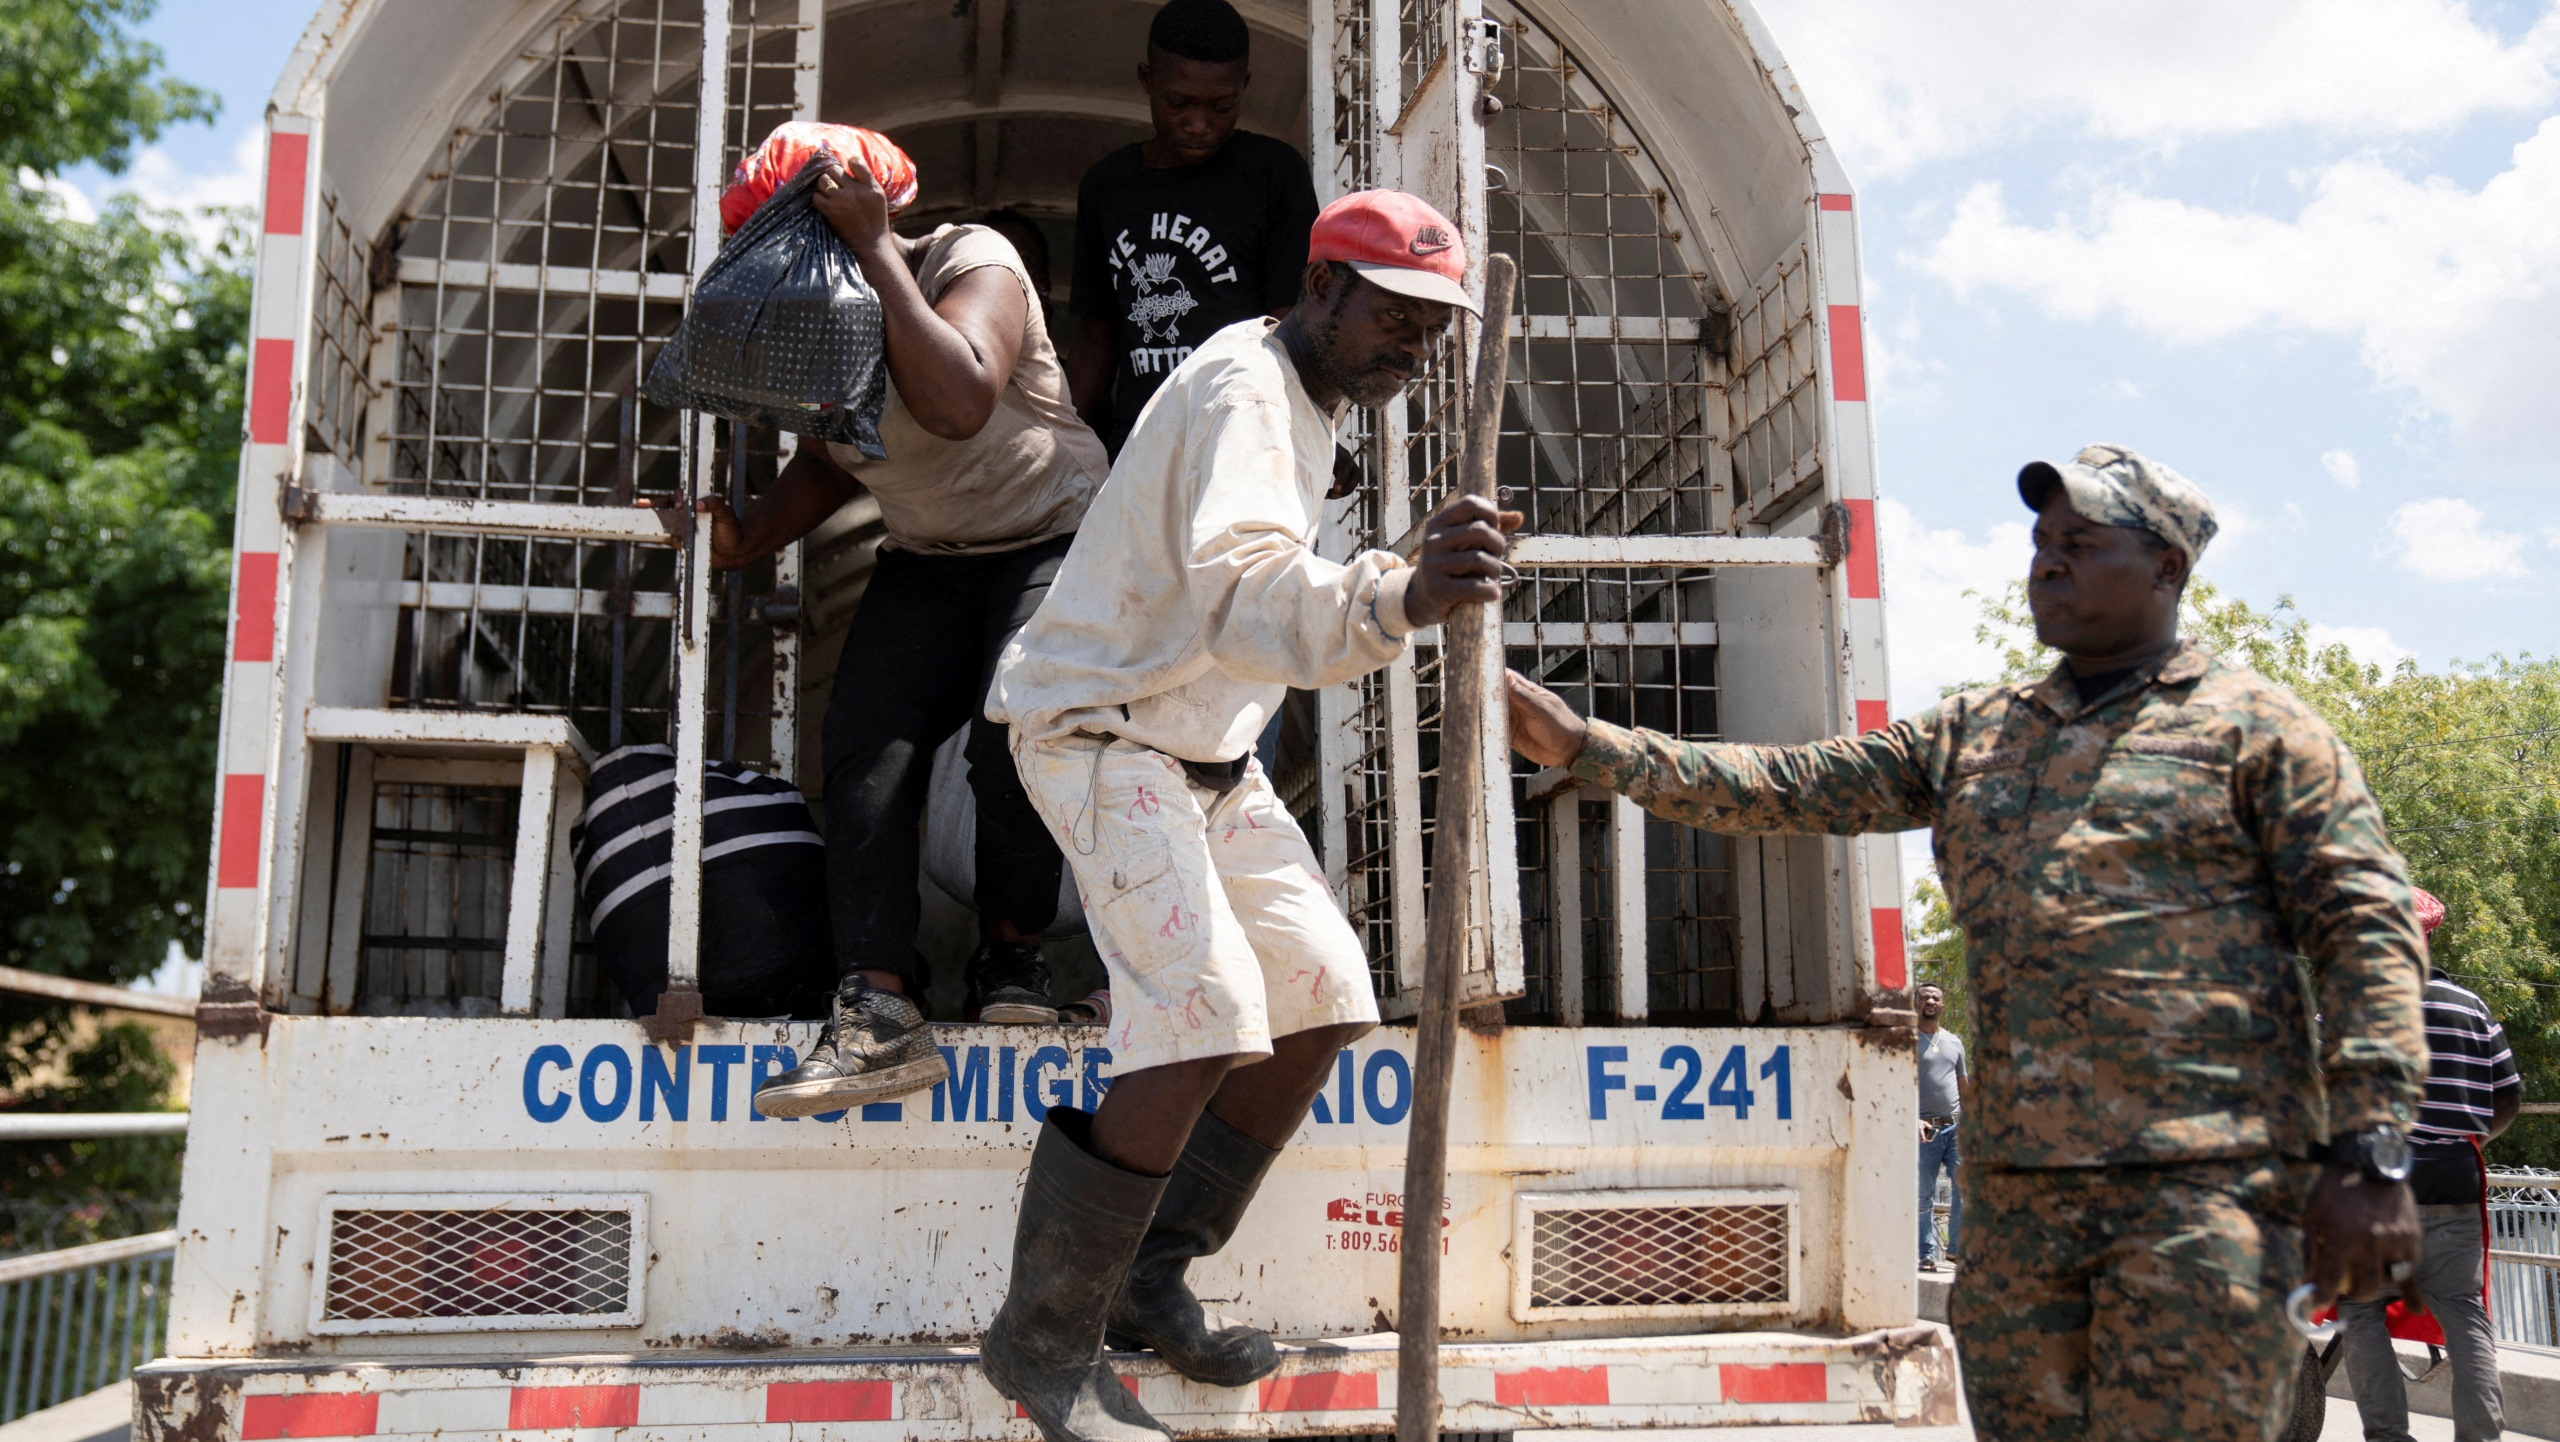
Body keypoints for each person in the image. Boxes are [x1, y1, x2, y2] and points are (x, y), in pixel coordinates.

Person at [1502, 444, 2430, 1442]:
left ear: (2166, 567)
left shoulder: (2259, 731)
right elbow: (1792, 784)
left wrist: (2371, 1155)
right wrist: (1589, 746)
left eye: (2081, 543)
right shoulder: (1978, 733)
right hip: (2022, 1211)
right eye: (2040, 543)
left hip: (2202, 1200)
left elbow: (2364, 929)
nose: (2046, 564)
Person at [978, 189, 1511, 1442]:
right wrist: (1401, 592)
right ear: (1322, 282)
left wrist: (1394, 591)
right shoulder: (1244, 390)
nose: (1415, 347)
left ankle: (1147, 1278)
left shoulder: (1307, 397)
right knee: (1205, 1011)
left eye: (1435, 330)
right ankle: (1039, 1344)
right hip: (1104, 729)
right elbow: (1245, 590)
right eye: (1395, 315)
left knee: (1326, 993)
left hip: (1207, 747)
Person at [691, 136, 1111, 1115]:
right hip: (929, 553)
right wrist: (746, 535)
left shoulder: (972, 262)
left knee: (1016, 728)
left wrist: (878, 252)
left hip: (1055, 534)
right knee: (862, 751)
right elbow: (833, 458)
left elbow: (960, 399)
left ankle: (1011, 957)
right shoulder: (815, 317)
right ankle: (877, 1010)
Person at [1065, 0, 1319, 456]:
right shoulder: (1108, 186)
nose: (1199, 124)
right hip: (1139, 443)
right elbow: (1096, 339)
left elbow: (1294, 323)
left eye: (1222, 106)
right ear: (1147, 79)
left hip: (1241, 436)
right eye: (1178, 103)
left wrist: (1311, 432)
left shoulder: (1273, 174)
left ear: (1244, 86)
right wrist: (1062, 447)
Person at [2340, 885, 2519, 1442]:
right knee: (2465, 1315)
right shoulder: (2471, 1008)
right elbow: (2508, 1097)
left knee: (2362, 1307)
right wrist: (2465, 1143)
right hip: (2453, 1179)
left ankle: (2389, 1437)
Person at [1915, 981, 1964, 1274]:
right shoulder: (1906, 1040)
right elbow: (1896, 1081)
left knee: (1965, 1187)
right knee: (1924, 1195)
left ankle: (1956, 1251)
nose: (1930, 1000)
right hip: (1924, 1130)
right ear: (1916, 1004)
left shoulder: (1954, 1042)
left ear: (1942, 1004)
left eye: (1935, 997)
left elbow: (1962, 1085)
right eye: (1924, 997)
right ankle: (1925, 1254)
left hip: (1956, 1128)